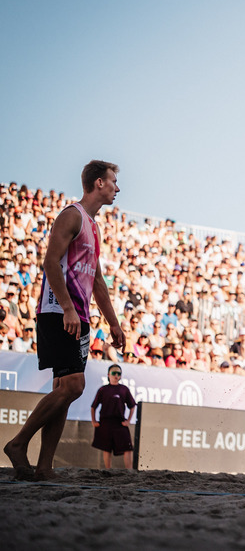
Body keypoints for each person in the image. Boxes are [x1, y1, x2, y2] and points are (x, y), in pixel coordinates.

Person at [3, 160, 126, 480]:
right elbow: (49, 263)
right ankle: (17, 444)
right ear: (99, 183)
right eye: (113, 181)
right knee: (74, 385)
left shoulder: (94, 226)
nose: (117, 187)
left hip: (78, 315)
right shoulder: (72, 215)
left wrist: (114, 323)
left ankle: (44, 467)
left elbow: (97, 281)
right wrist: (69, 308)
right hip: (59, 311)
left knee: (64, 389)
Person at [90, 364, 136, 469]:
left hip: (119, 422)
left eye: (118, 373)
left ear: (120, 376)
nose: (116, 375)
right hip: (105, 421)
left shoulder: (124, 389)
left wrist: (128, 420)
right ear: (108, 374)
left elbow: (132, 406)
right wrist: (94, 421)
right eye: (113, 373)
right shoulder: (103, 389)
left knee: (128, 447)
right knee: (106, 448)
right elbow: (93, 406)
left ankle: (129, 471)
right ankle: (108, 470)